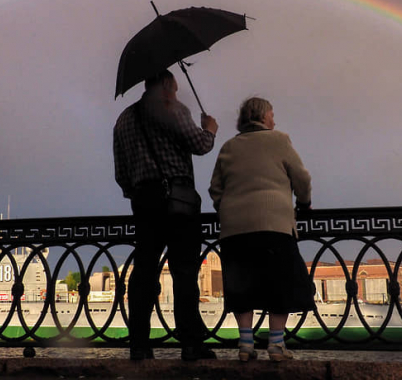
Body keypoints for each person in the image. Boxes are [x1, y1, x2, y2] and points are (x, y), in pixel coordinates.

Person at [113, 69, 219, 361]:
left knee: (144, 271)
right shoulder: (173, 109)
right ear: (166, 85)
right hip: (179, 202)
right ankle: (191, 344)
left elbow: (121, 173)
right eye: (174, 88)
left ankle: (139, 344)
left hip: (143, 202)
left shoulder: (123, 120)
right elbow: (200, 146)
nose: (176, 93)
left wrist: (138, 192)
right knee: (184, 272)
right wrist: (209, 128)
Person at [208, 97, 315, 362]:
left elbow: (215, 188)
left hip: (235, 229)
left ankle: (246, 346)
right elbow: (302, 177)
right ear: (263, 116)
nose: (274, 120)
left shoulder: (228, 146)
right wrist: (304, 203)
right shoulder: (279, 139)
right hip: (273, 226)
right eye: (272, 114)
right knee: (281, 282)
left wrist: (228, 209)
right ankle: (276, 346)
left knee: (242, 285)